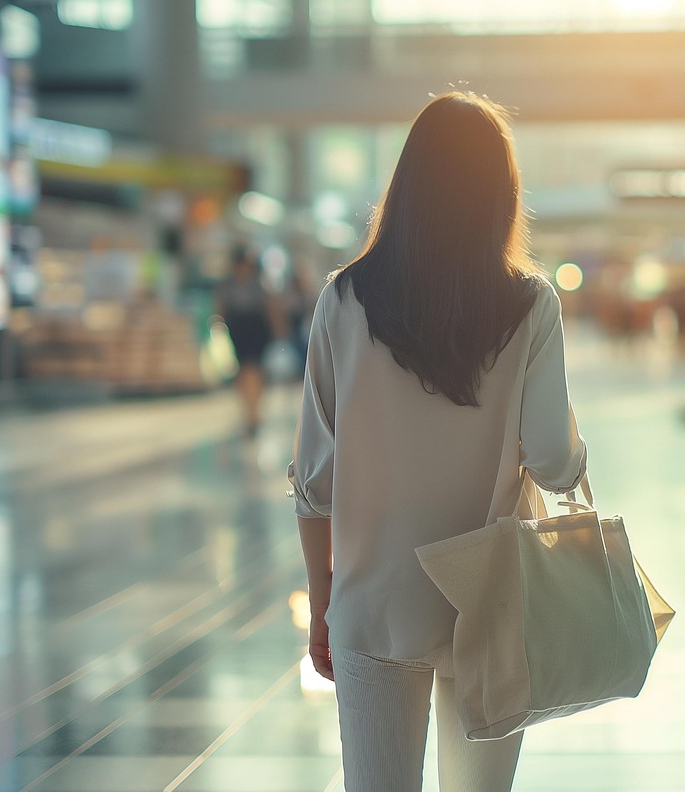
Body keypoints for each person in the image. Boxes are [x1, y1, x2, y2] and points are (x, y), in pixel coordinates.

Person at [289, 92, 587, 792]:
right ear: (500, 195)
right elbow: (552, 460)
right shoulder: (531, 304)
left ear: (407, 189)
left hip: (373, 601)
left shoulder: (343, 299)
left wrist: (323, 596)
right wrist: (575, 453)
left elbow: (313, 479)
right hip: (488, 602)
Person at [217, 248, 282, 437]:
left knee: (253, 370)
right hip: (237, 331)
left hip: (256, 332)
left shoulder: (257, 286)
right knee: (244, 372)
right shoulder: (228, 286)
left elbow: (270, 308)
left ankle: (253, 411)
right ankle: (249, 411)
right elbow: (220, 309)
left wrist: (277, 329)